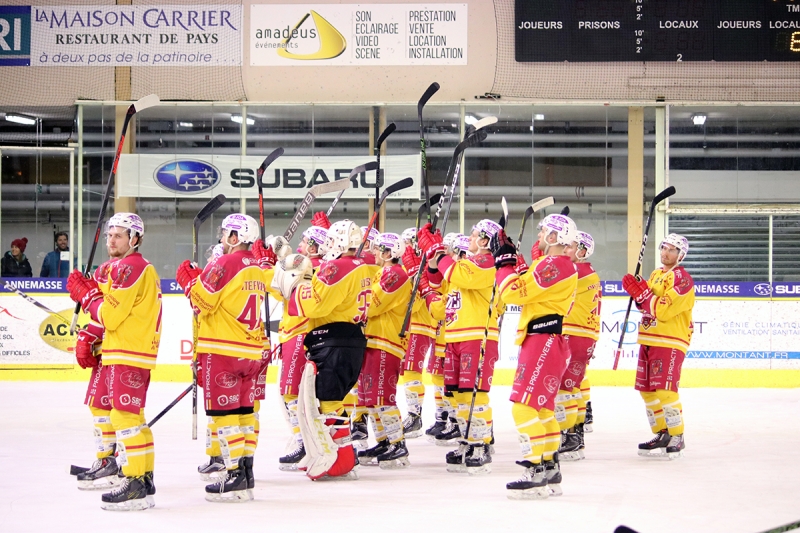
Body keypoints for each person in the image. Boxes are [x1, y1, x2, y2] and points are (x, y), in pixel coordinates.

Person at [66, 213, 161, 511]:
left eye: (118, 235)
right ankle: (143, 479)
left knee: (124, 419)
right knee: (133, 419)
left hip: (127, 351)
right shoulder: (122, 267)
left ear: (134, 239)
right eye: (109, 235)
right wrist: (89, 327)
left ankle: (133, 482)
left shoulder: (132, 267)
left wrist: (88, 295)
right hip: (125, 350)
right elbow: (104, 312)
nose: (112, 240)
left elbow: (110, 315)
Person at [177, 213, 270, 502]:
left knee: (225, 417)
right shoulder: (257, 267)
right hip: (251, 351)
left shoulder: (225, 262)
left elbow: (201, 302)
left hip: (224, 351)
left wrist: (190, 283)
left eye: (224, 233)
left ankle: (234, 475)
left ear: (234, 237)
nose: (221, 238)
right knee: (244, 415)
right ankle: (246, 471)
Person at [274, 219, 372, 480]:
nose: (326, 245)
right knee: (325, 402)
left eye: (331, 240)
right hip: (349, 339)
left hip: (334, 342)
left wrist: (297, 284)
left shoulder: (337, 266)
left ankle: (341, 460)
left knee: (327, 403)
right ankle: (332, 454)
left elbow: (315, 305)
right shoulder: (360, 266)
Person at [491, 214, 578, 499]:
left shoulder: (557, 264)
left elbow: (513, 294)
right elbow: (529, 284)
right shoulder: (556, 265)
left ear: (553, 237)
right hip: (549, 341)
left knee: (523, 408)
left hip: (542, 341)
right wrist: (514, 260)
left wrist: (503, 263)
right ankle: (550, 468)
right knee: (542, 410)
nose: (539, 234)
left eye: (543, 231)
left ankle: (535, 469)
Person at [417, 219, 502, 475]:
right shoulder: (465, 266)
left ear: (485, 241)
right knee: (455, 395)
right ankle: (467, 440)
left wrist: (439, 252)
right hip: (454, 337)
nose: (470, 238)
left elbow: (456, 273)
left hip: (477, 336)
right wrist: (431, 269)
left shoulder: (487, 263)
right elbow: (442, 303)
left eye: (474, 234)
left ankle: (481, 444)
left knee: (473, 394)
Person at [622, 233, 695, 460]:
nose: (666, 253)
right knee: (647, 391)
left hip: (670, 340)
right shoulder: (655, 274)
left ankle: (677, 435)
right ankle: (663, 433)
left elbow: (662, 310)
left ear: (680, 255)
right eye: (664, 247)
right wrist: (638, 292)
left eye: (672, 250)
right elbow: (646, 306)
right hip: (649, 338)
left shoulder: (683, 279)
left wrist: (642, 294)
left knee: (665, 389)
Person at [356, 232, 412, 469]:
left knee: (382, 396)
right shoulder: (383, 272)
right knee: (370, 398)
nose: (374, 252)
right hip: (373, 341)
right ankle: (383, 440)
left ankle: (397, 443)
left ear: (389, 253)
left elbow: (372, 304)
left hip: (386, 342)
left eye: (379, 249)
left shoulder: (395, 274)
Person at [557, 231, 602, 461]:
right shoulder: (587, 272)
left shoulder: (578, 271)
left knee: (565, 387)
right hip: (582, 335)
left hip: (576, 334)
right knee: (572, 387)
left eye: (569, 247)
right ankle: (576, 436)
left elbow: (551, 277)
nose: (564, 250)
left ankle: (570, 437)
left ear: (582, 251)